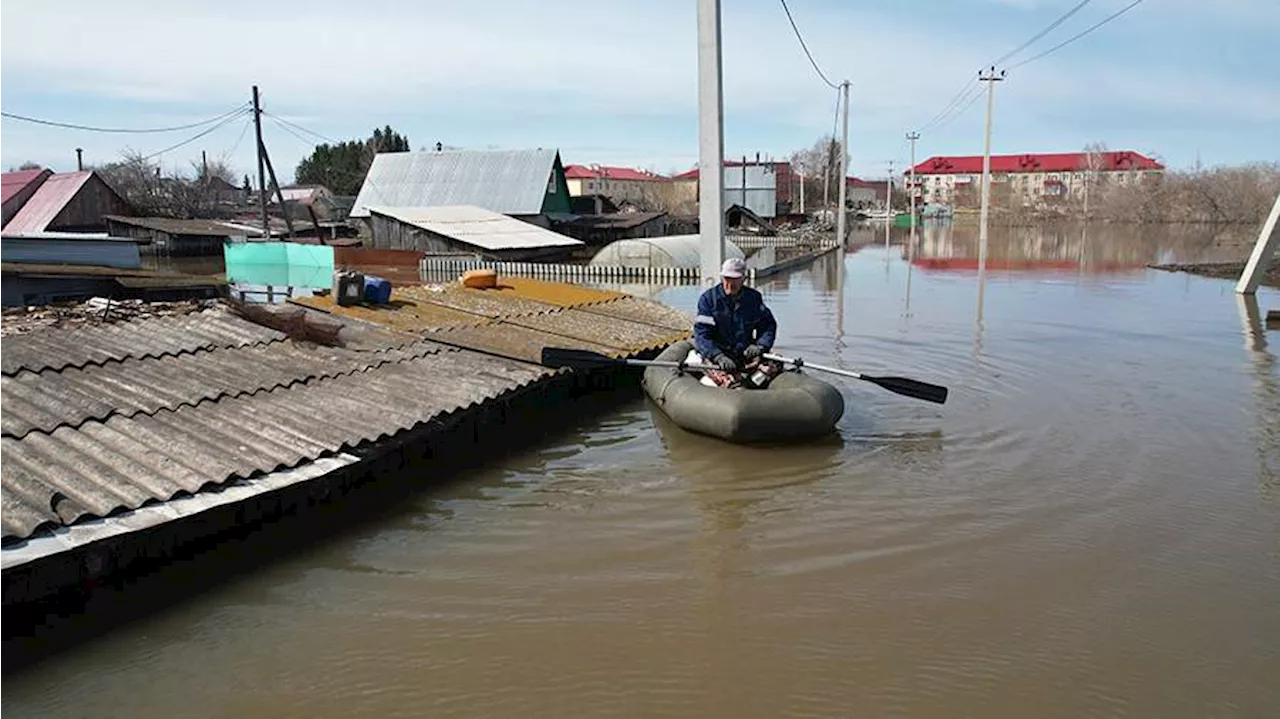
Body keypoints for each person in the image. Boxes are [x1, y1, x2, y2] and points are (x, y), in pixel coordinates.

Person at [690, 257, 781, 388]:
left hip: (744, 354)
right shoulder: (709, 300)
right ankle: (735, 385)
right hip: (718, 356)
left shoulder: (754, 298)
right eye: (727, 279)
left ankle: (750, 385)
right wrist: (718, 356)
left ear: (743, 279)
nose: (730, 284)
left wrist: (760, 346)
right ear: (721, 278)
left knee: (775, 364)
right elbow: (702, 334)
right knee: (728, 382)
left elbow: (768, 325)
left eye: (735, 280)